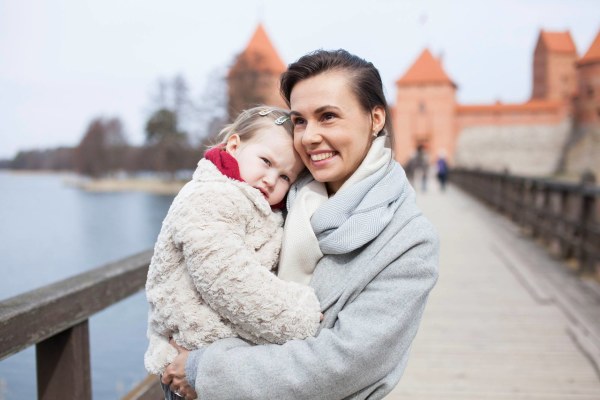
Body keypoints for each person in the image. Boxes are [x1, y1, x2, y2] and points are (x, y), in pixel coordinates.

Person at [162, 49, 440, 400]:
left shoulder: (410, 241)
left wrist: (203, 369)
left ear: (375, 119)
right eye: (300, 121)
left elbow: (342, 365)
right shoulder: (272, 192)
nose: (309, 137)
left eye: (328, 117)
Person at [144, 106, 322, 398]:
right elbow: (227, 279)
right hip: (192, 360)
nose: (270, 179)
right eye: (266, 161)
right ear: (235, 146)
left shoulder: (255, 204)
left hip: (220, 362)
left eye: (285, 177)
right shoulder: (210, 197)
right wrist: (301, 316)